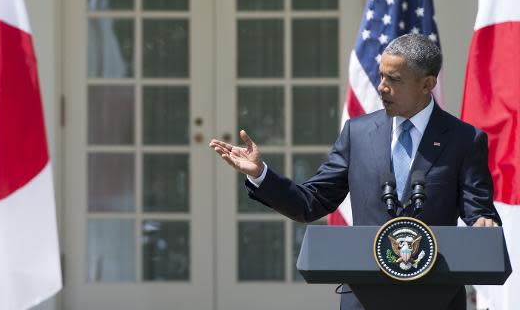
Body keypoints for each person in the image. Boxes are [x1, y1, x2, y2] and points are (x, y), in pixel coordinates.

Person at [210, 33, 500, 310]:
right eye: (382, 75)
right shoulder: (358, 133)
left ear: (427, 84)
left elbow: (480, 213)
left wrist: (484, 224)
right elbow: (311, 203)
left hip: (435, 295)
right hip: (365, 297)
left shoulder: (464, 140)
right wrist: (261, 174)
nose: (381, 87)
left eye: (394, 79)